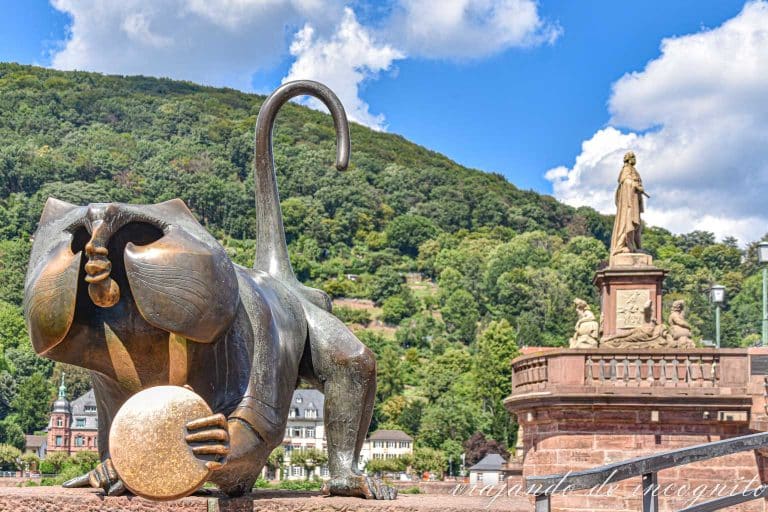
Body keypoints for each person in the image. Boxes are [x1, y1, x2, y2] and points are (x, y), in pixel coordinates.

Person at [610, 151, 647, 257]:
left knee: (637, 227)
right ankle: (621, 246)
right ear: (629, 159)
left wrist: (639, 187)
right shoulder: (626, 170)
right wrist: (635, 186)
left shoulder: (634, 170)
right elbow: (626, 182)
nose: (635, 159)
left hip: (635, 201)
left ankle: (636, 247)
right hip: (629, 204)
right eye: (633, 157)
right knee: (627, 224)